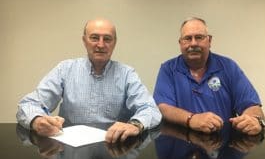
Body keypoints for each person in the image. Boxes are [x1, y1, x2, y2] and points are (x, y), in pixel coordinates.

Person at [17, 18, 161, 143]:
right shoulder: (65, 69)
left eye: (107, 39)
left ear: (114, 43)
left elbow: (150, 109)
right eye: (94, 37)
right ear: (84, 41)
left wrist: (135, 124)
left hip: (114, 146)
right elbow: (29, 104)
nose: (100, 44)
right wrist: (37, 120)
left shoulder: (127, 74)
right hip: (70, 148)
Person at [153, 17, 265, 135]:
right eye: (187, 38)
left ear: (209, 40)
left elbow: (251, 104)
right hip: (182, 142)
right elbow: (163, 107)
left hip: (223, 144)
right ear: (180, 43)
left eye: (199, 37)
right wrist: (192, 119)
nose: (193, 43)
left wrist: (255, 120)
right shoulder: (168, 69)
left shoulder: (229, 67)